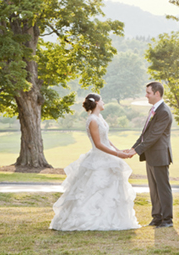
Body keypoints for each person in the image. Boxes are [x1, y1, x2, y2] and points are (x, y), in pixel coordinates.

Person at [49, 93, 140, 231]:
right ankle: (89, 219)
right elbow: (98, 144)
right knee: (94, 189)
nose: (104, 102)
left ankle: (112, 218)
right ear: (96, 102)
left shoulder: (99, 117)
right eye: (102, 100)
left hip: (108, 156)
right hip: (98, 158)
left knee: (112, 188)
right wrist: (117, 154)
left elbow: (106, 139)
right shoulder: (92, 120)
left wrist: (119, 150)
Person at [125, 81, 174, 228]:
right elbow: (145, 134)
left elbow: (154, 136)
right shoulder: (153, 110)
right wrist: (132, 148)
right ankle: (157, 217)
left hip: (160, 156)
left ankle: (167, 220)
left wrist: (137, 150)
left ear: (157, 93)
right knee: (153, 189)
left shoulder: (164, 112)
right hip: (151, 156)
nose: (146, 95)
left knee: (163, 189)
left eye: (148, 93)